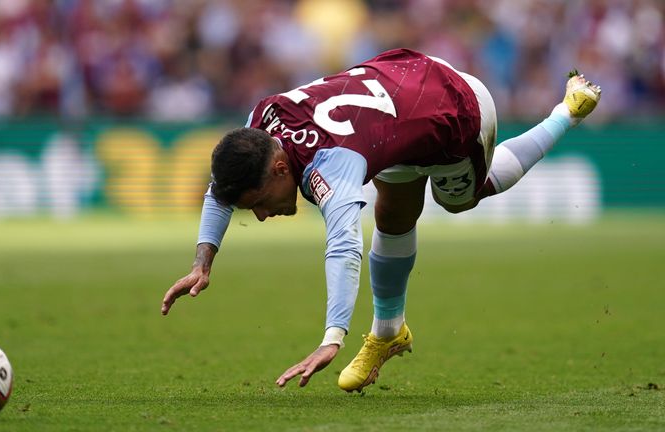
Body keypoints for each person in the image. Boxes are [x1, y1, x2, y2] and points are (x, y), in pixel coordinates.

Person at [161, 48, 601, 392]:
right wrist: (203, 261)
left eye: (257, 202)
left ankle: (566, 111)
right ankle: (388, 332)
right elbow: (219, 191)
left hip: (455, 112)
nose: (259, 216)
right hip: (404, 82)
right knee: (392, 210)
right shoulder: (261, 122)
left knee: (461, 200)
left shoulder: (330, 167)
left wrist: (332, 338)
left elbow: (343, 245)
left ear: (279, 169)